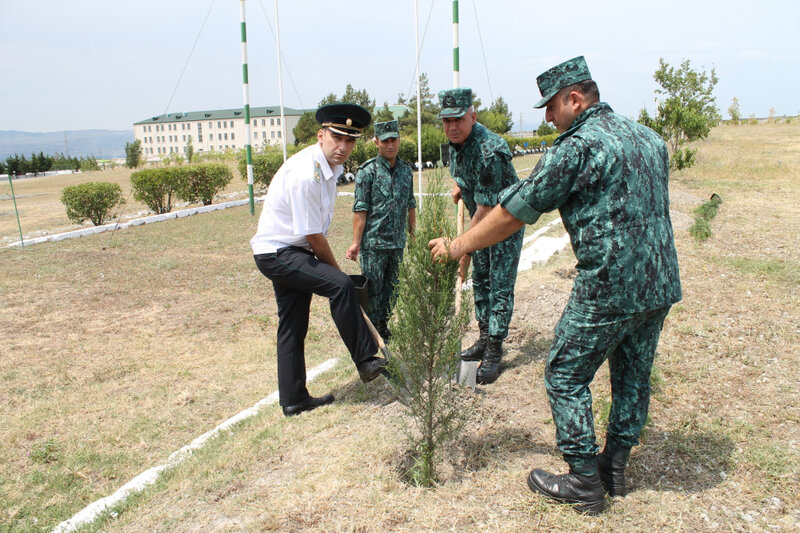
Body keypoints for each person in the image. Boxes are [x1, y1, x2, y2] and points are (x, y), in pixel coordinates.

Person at [429, 56, 682, 514]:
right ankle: (616, 469)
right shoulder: (647, 137)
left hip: (609, 284)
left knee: (564, 373)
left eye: (551, 107)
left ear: (575, 98)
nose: (547, 117)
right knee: (632, 373)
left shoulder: (576, 147)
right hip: (660, 282)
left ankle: (585, 480)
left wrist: (458, 245)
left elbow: (511, 213)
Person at [251, 103, 389, 417]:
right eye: (337, 138)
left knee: (293, 324)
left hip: (291, 250)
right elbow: (314, 237)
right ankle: (366, 360)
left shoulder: (328, 167)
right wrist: (338, 274)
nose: (343, 147)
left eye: (350, 140)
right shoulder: (306, 174)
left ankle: (294, 399)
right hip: (277, 252)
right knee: (340, 285)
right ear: (321, 135)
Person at [438, 87, 523, 384]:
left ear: (473, 116)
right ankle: (484, 337)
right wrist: (462, 186)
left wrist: (462, 248)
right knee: (482, 281)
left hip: (502, 226)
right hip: (480, 221)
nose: (452, 127)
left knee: (499, 285)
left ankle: (495, 349)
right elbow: (467, 177)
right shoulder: (458, 144)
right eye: (447, 121)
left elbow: (486, 212)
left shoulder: (489, 150)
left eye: (458, 120)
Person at [345, 120, 416, 341]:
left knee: (392, 289)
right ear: (376, 142)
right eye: (385, 141)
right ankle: (372, 329)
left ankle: (383, 325)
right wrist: (356, 242)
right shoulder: (368, 172)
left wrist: (413, 234)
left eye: (394, 140)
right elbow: (361, 209)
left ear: (399, 140)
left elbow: (410, 204)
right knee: (373, 290)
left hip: (397, 242)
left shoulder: (406, 171)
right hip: (374, 244)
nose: (390, 145)